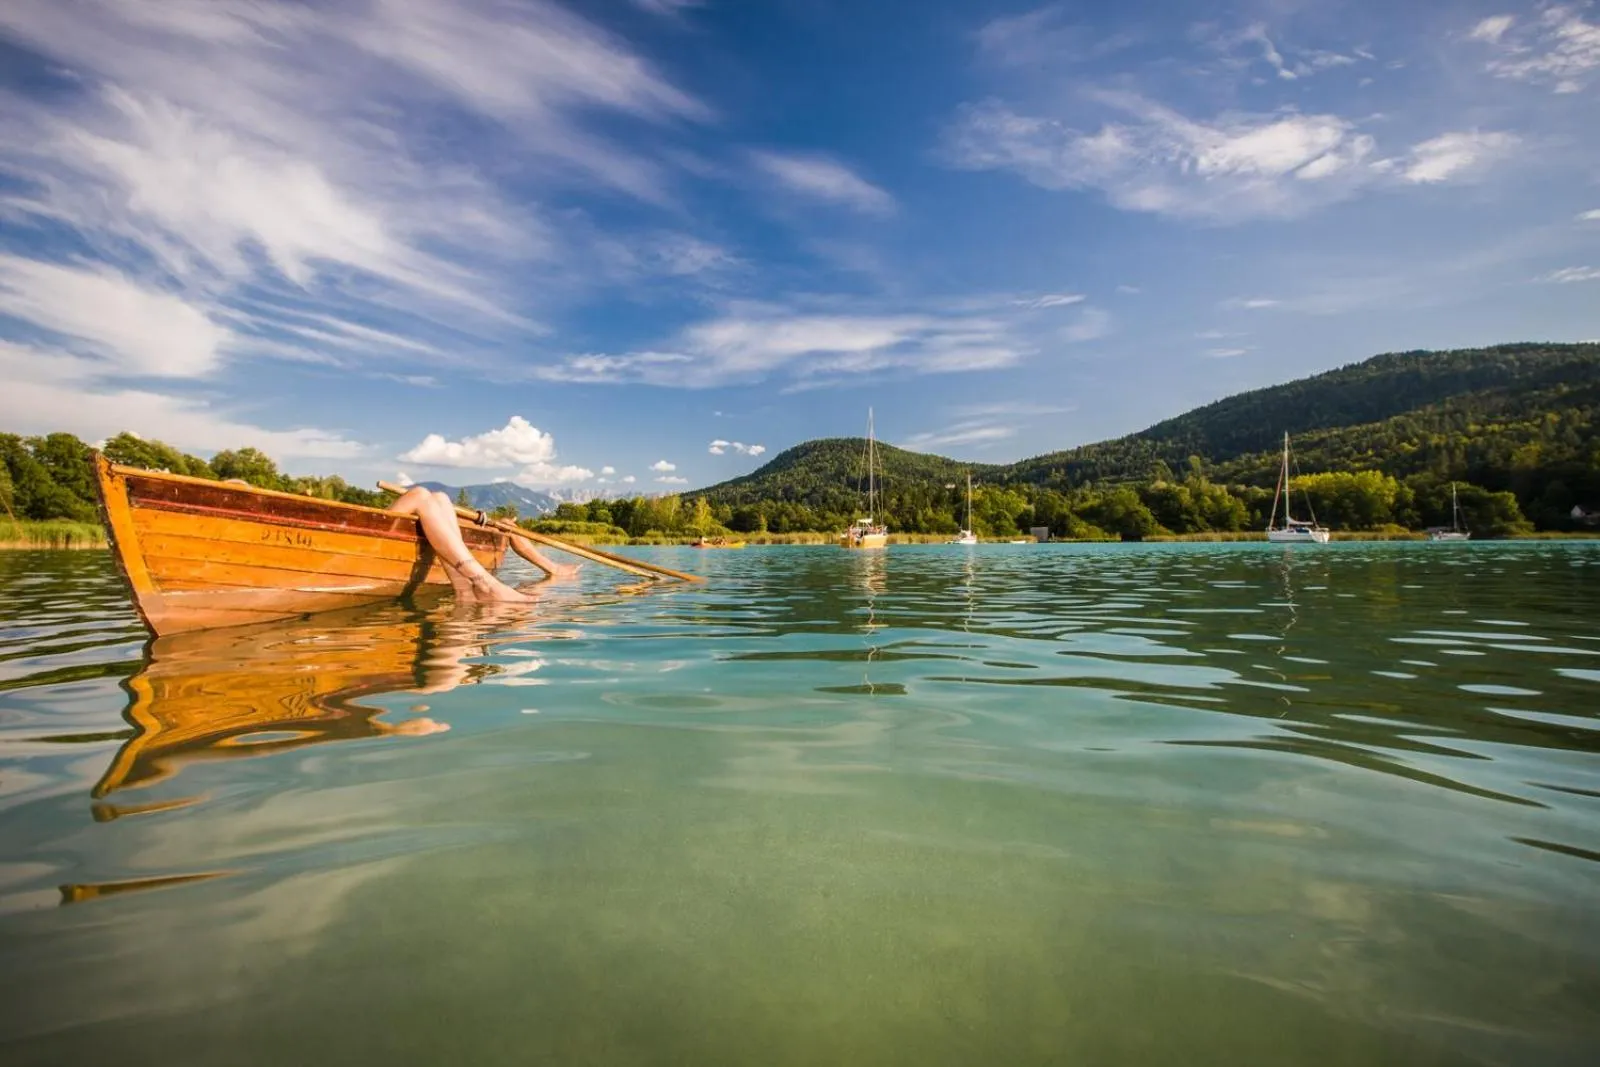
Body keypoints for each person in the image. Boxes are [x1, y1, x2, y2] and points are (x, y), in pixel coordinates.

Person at [387, 486, 579, 603]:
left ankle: (465, 591)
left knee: (441, 498)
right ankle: (485, 585)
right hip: (392, 520)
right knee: (421, 494)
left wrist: (483, 521)